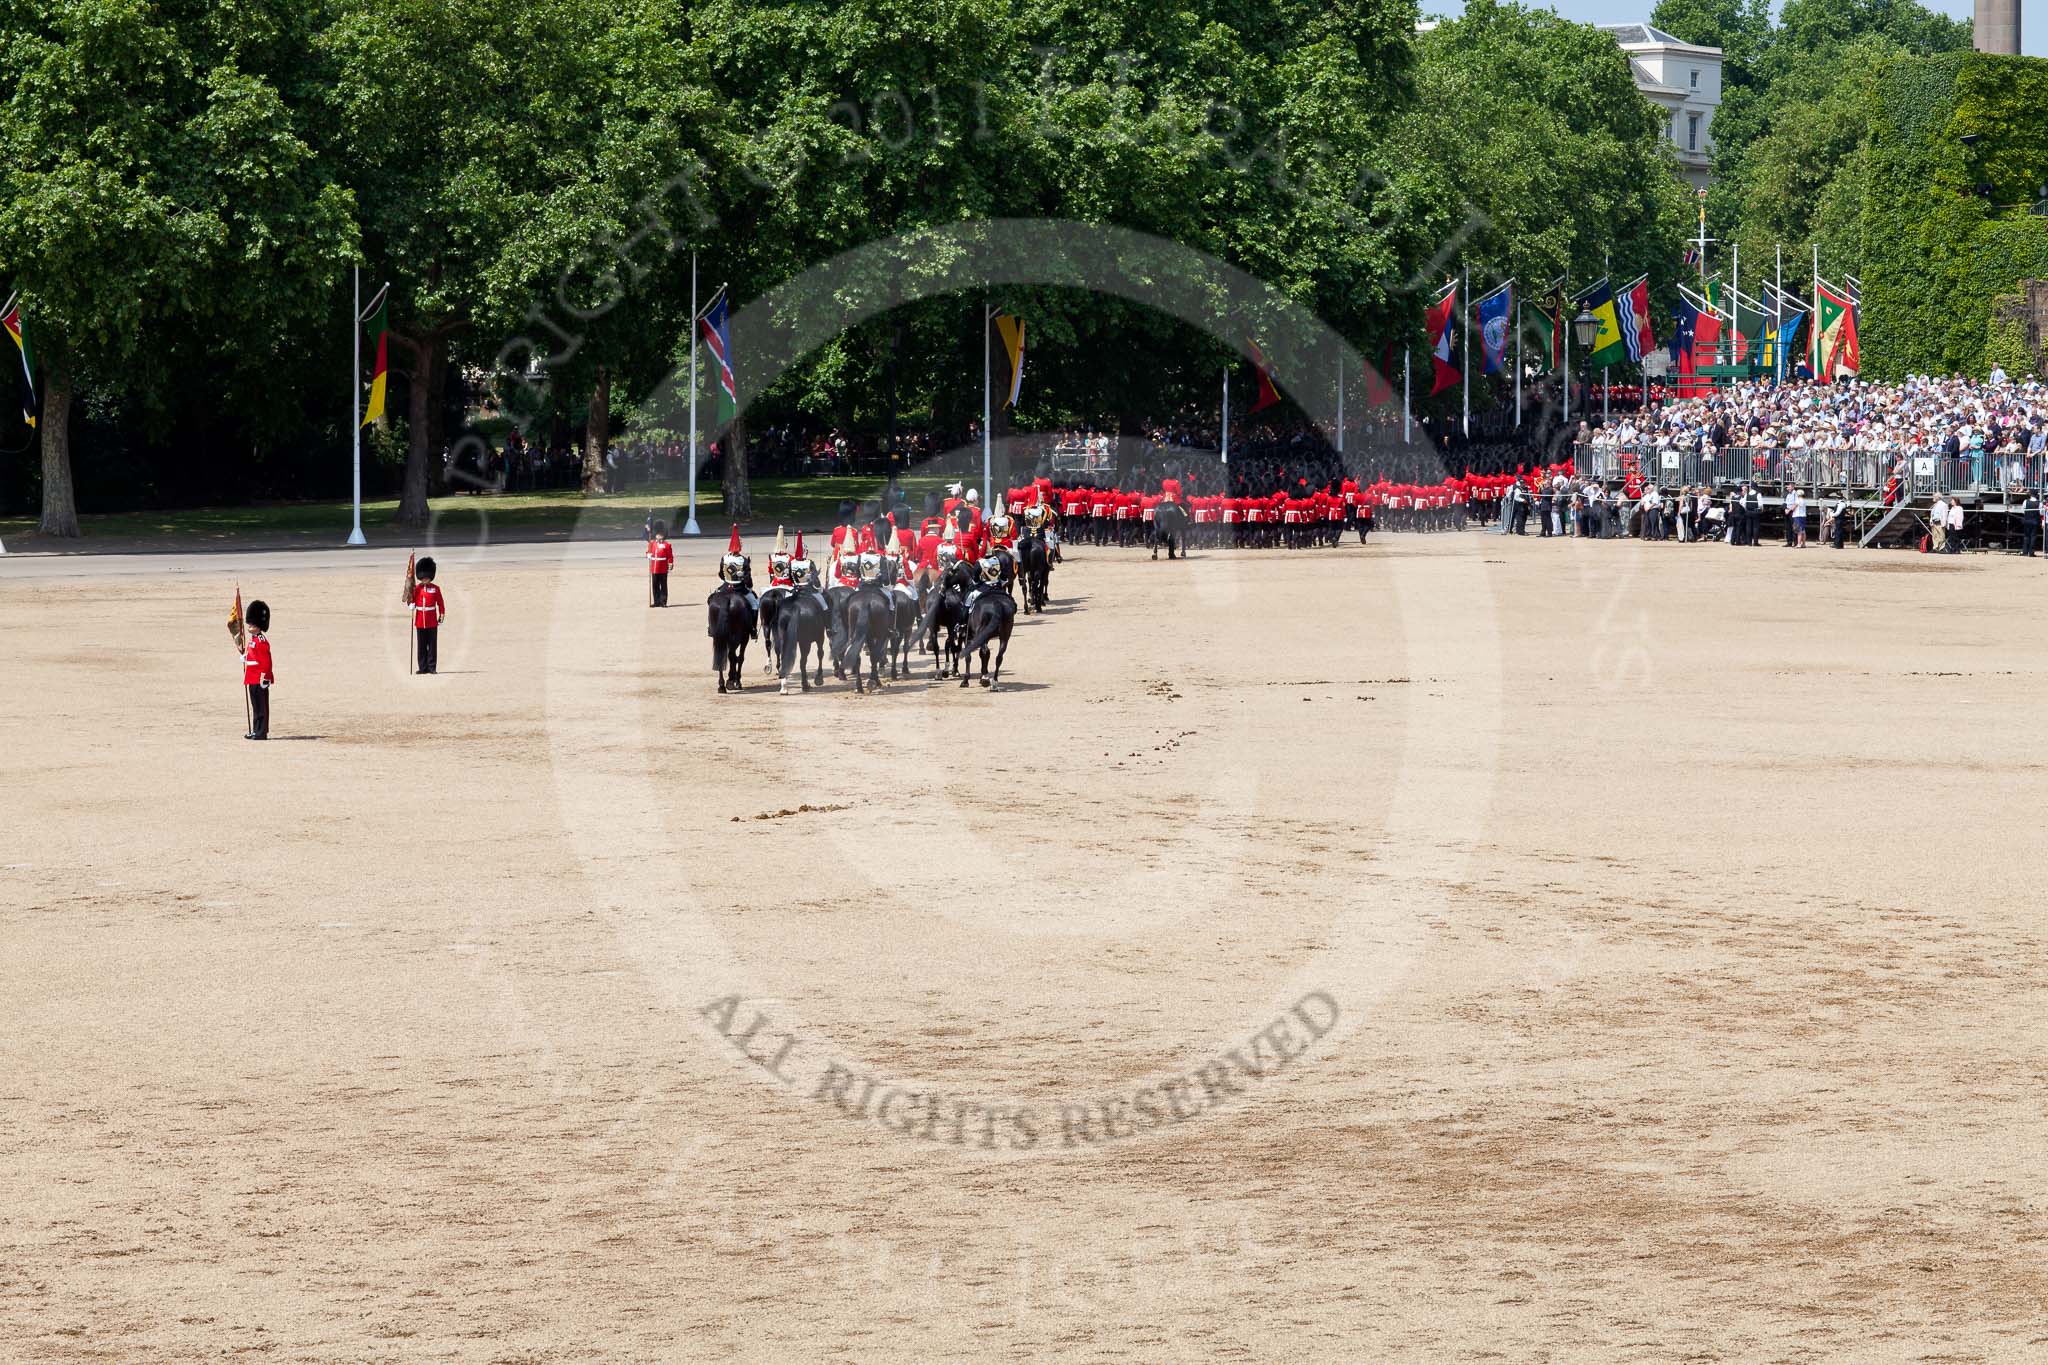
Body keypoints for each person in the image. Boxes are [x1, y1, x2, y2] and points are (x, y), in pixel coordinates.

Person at [240, 599, 274, 740]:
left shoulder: (261, 641)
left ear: (259, 625)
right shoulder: (253, 640)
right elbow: (253, 656)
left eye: (253, 624)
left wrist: (265, 677)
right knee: (255, 706)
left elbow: (266, 661)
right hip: (252, 676)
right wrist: (245, 657)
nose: (250, 626)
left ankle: (262, 732)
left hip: (259, 677)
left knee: (261, 707)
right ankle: (256, 730)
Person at [411, 556, 447, 675]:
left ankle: (432, 667)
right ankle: (422, 667)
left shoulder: (436, 589)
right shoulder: (416, 589)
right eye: (423, 577)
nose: (425, 579)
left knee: (432, 645)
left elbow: (440, 603)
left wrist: (441, 614)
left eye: (427, 577)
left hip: (431, 621)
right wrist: (411, 604)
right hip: (420, 621)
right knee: (421, 646)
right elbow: (412, 600)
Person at [646, 520, 673, 607]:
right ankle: (656, 601)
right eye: (657, 534)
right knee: (655, 586)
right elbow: (648, 552)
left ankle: (663, 602)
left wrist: (670, 563)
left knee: (663, 586)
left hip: (663, 568)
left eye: (661, 534)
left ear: (663, 535)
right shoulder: (652, 543)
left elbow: (670, 556)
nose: (659, 536)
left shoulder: (667, 545)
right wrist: (648, 555)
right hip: (654, 568)